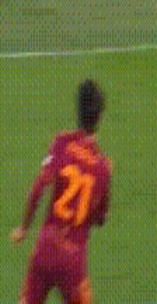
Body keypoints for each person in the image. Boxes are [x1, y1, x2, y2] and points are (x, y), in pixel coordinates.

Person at [10, 80, 112, 303]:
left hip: (45, 247)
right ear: (100, 117)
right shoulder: (104, 167)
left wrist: (24, 228)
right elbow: (101, 218)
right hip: (73, 260)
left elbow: (38, 189)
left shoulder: (62, 142)